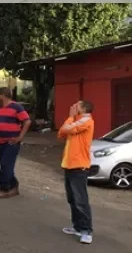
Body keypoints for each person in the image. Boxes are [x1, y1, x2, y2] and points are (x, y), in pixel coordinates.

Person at [58, 100, 95, 245]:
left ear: (84, 108)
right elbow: (61, 132)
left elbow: (66, 129)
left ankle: (87, 230)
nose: (73, 107)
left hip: (79, 167)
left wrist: (70, 117)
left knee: (81, 200)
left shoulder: (86, 121)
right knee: (72, 198)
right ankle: (77, 227)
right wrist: (71, 119)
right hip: (69, 165)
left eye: (77, 105)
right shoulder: (76, 121)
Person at [0, 87, 31, 198]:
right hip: (0, 142)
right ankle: (14, 186)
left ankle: (4, 189)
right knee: (5, 165)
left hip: (11, 142)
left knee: (5, 165)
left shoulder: (16, 107)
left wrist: (20, 137)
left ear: (3, 95)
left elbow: (27, 121)